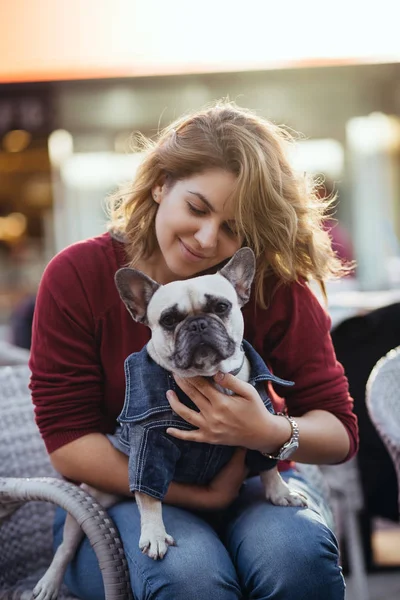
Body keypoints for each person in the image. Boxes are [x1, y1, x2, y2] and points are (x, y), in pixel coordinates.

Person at [29, 101, 358, 600]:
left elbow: (339, 430)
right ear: (161, 183)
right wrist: (200, 496)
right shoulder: (78, 276)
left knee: (296, 558)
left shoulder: (270, 284)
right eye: (198, 209)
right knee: (189, 577)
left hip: (252, 483)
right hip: (126, 494)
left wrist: (266, 431)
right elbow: (68, 439)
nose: (208, 239)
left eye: (233, 227)